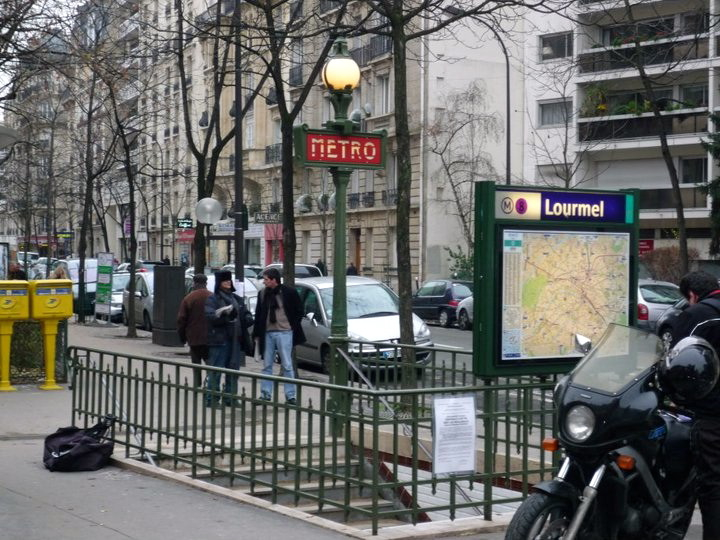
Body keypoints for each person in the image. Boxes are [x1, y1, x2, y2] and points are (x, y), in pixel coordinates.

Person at [670, 270, 720, 540]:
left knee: (713, 484)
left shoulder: (696, 315)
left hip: (712, 412)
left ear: (692, 295)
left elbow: (676, 361)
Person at [252, 267, 305, 405]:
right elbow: (259, 314)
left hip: (285, 332)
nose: (264, 282)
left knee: (287, 364)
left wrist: (292, 325)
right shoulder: (263, 293)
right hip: (268, 333)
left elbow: (299, 310)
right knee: (267, 364)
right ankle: (265, 394)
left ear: (274, 280)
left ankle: (290, 395)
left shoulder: (289, 292)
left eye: (266, 279)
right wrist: (257, 334)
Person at [204, 271, 254, 408]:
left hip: (235, 339)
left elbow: (245, 313)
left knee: (233, 370)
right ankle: (212, 399)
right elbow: (210, 317)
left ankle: (230, 397)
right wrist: (225, 316)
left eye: (228, 280)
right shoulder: (212, 299)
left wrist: (248, 318)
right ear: (219, 283)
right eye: (224, 280)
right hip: (220, 340)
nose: (227, 282)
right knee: (216, 370)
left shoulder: (237, 299)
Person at [177, 274, 212, 387]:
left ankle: (197, 385)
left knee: (196, 364)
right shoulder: (212, 297)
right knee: (210, 364)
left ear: (194, 283)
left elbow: (181, 319)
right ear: (206, 283)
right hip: (210, 337)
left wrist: (182, 337)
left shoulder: (189, 298)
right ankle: (210, 384)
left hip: (194, 337)